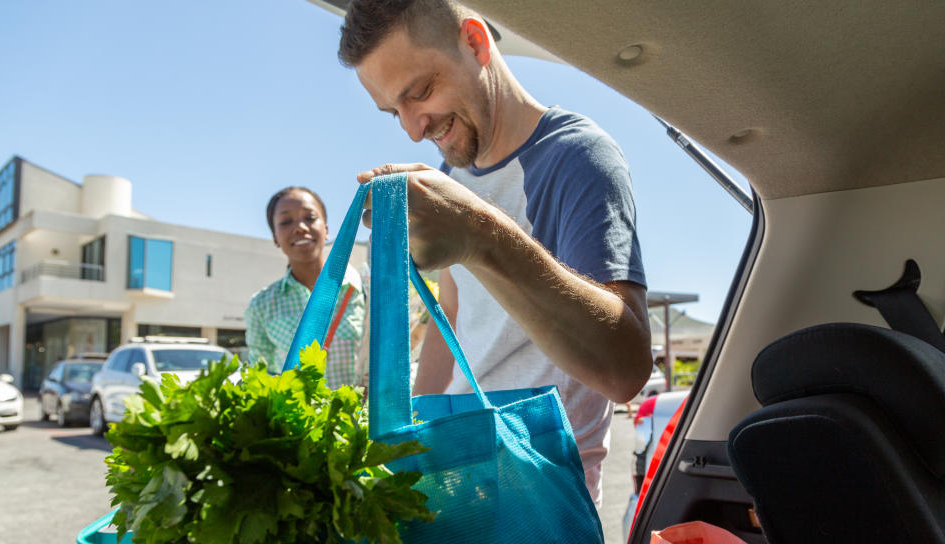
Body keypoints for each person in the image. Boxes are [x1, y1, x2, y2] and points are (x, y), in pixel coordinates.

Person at [338, 0, 652, 506]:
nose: (414, 129)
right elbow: (453, 317)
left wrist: (480, 235)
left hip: (539, 492)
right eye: (394, 111)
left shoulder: (577, 155)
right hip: (459, 469)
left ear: (476, 42)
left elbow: (625, 370)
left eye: (420, 93)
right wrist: (404, 438)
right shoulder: (453, 181)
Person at [244, 186, 365, 389]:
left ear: (326, 229)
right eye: (285, 222)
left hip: (363, 419)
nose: (300, 227)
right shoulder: (261, 306)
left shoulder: (365, 288)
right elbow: (260, 375)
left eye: (310, 218)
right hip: (301, 420)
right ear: (275, 237)